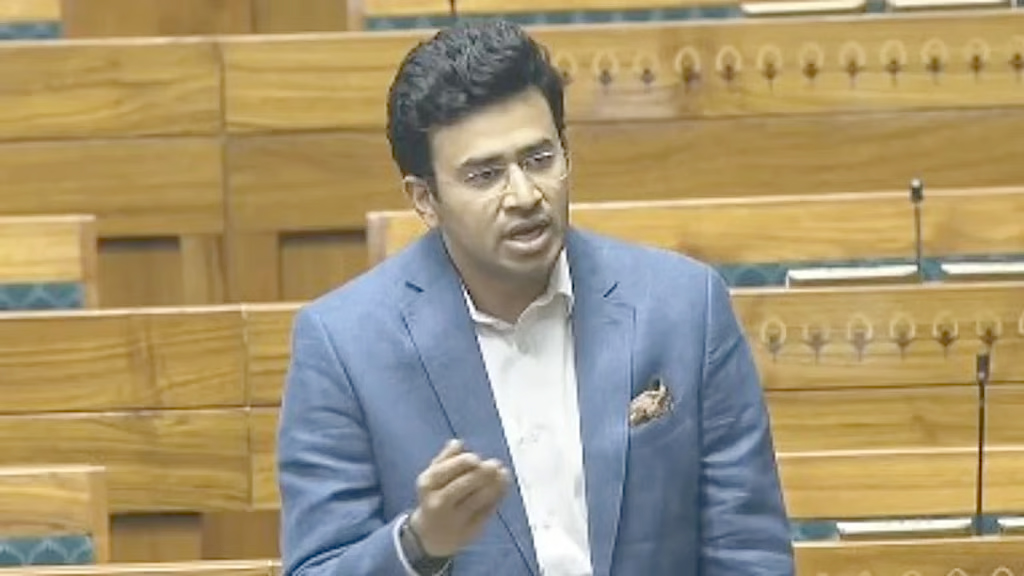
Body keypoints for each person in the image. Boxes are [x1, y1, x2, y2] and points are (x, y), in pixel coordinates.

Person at [277, 18, 794, 576]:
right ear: (424, 199)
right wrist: (419, 545)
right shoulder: (344, 347)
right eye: (484, 175)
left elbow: (749, 553)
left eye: (539, 159)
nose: (524, 195)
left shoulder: (684, 307)